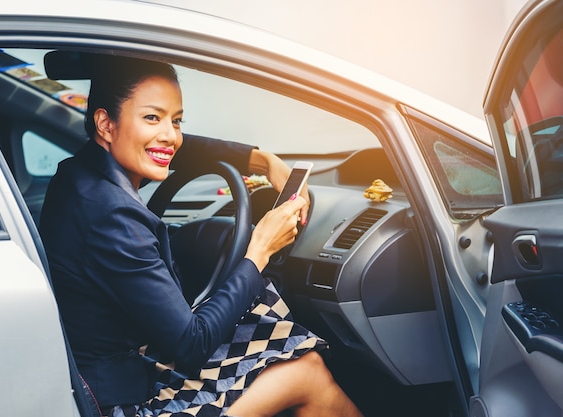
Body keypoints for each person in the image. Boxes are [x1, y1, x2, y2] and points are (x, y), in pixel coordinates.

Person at [40, 55, 363, 417]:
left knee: (299, 358)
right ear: (106, 124)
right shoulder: (115, 216)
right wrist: (260, 250)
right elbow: (191, 344)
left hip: (102, 378)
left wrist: (264, 160)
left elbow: (176, 145)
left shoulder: (79, 175)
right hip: (117, 405)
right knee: (308, 376)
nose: (170, 135)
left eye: (176, 120)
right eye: (152, 117)